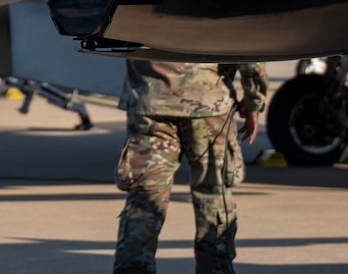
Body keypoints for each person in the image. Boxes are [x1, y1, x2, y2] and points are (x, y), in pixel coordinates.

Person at [113, 59, 267, 274]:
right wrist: (254, 100)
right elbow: (248, 40)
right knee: (213, 196)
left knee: (145, 197)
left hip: (150, 99)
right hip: (209, 102)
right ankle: (215, 268)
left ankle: (133, 268)